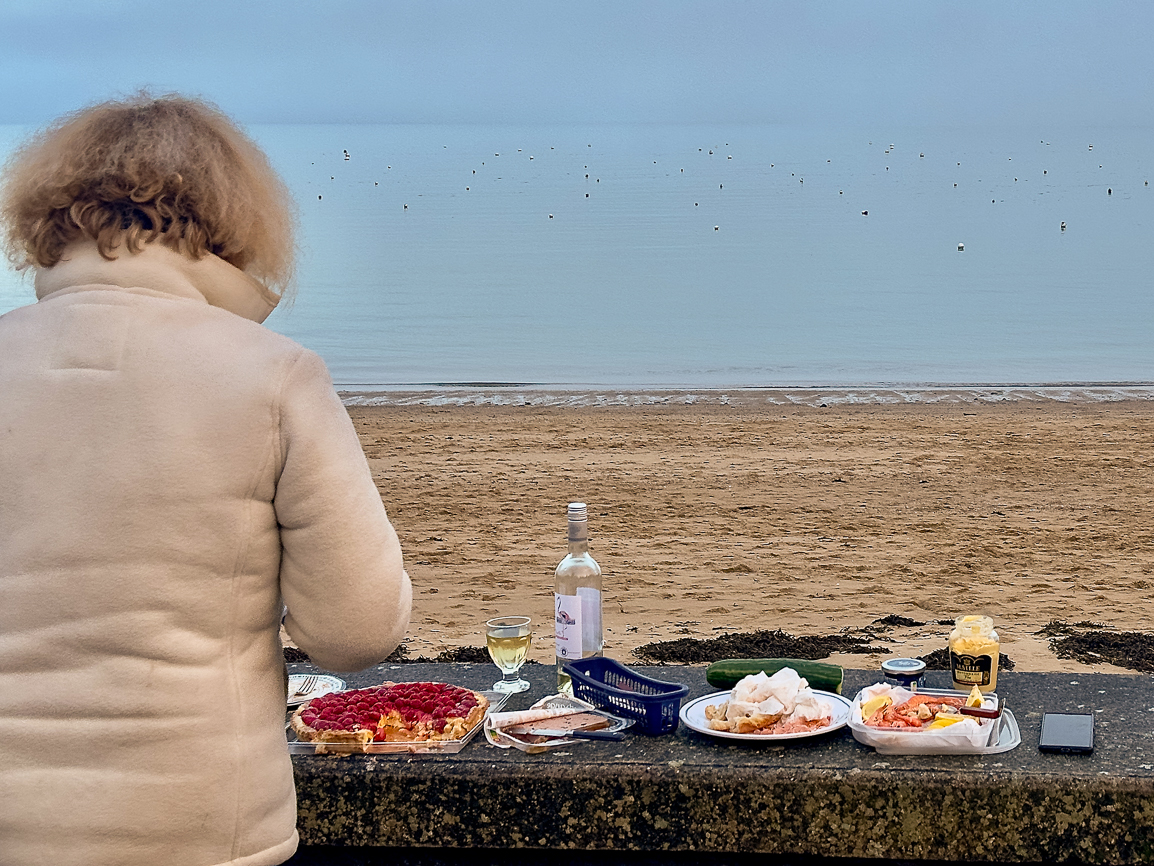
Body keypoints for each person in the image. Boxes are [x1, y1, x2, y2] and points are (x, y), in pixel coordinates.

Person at [0, 93, 412, 866]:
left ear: (50, 216)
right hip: (199, 825)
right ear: (230, 222)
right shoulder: (276, 377)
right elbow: (355, 633)